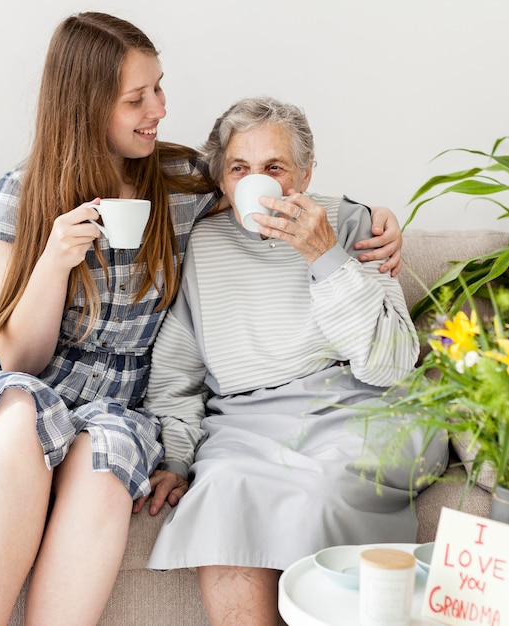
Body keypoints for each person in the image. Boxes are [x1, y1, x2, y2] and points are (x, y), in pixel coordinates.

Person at [0, 13, 402, 626]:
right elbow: (16, 361)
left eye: (158, 87)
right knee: (21, 411)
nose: (159, 108)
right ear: (87, 106)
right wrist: (52, 263)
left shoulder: (182, 182)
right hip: (24, 381)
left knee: (107, 458)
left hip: (118, 400)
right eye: (137, 98)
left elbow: (269, 179)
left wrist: (375, 217)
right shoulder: (21, 196)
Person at [136, 97, 449, 626]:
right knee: (224, 486)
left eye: (274, 168)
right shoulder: (200, 241)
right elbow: (176, 378)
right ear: (222, 178)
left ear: (305, 172)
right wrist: (176, 457)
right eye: (240, 168)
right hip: (246, 421)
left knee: (322, 488)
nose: (257, 181)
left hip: (362, 407)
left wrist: (324, 256)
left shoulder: (353, 226)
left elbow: (391, 365)